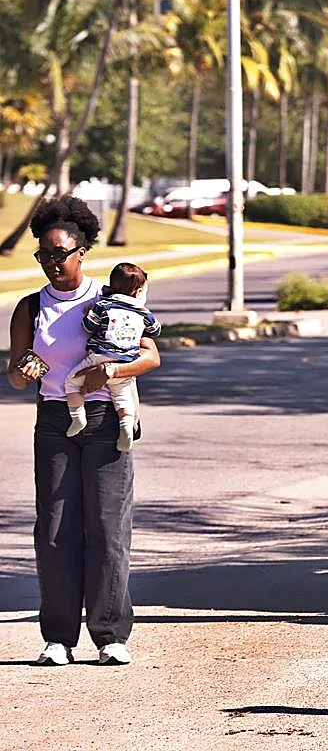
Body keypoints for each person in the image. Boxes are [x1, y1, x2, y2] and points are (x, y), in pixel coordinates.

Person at [6, 197, 161, 666]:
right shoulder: (30, 308)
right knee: (54, 530)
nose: (52, 263)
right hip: (54, 420)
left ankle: (110, 634)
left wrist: (108, 375)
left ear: (82, 252)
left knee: (107, 528)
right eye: (44, 255)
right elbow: (14, 374)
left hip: (105, 422)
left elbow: (151, 356)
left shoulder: (109, 299)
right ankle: (58, 637)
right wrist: (24, 371)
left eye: (60, 253)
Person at [63, 263, 160, 452]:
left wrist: (88, 313)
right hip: (126, 361)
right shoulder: (142, 312)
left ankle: (77, 417)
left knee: (72, 382)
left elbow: (87, 327)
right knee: (122, 396)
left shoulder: (103, 305)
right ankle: (126, 425)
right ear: (138, 291)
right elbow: (155, 331)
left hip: (99, 356)